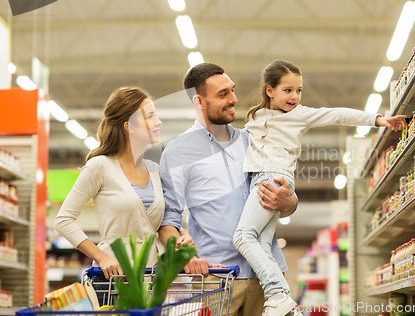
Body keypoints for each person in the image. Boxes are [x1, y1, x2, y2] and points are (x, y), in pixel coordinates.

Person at [232, 60, 406, 316]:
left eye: (299, 90)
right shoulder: (256, 117)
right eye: (288, 90)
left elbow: (337, 114)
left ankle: (276, 295)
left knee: (242, 237)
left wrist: (378, 119)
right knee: (262, 243)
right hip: (259, 178)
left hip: (273, 179)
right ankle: (286, 303)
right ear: (270, 90)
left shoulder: (299, 115)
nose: (295, 96)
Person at [160, 63, 299, 316]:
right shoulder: (178, 151)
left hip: (268, 279)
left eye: (232, 91)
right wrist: (182, 255)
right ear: (198, 101)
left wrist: (288, 201)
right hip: (216, 279)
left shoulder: (253, 140)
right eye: (223, 94)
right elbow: (168, 220)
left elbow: (286, 201)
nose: (234, 99)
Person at [54, 86, 194, 284]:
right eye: (151, 116)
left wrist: (182, 236)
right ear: (130, 126)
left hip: (151, 277)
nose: (158, 121)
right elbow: (63, 220)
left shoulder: (155, 170)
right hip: (113, 277)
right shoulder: (100, 166)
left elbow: (161, 222)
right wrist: (102, 258)